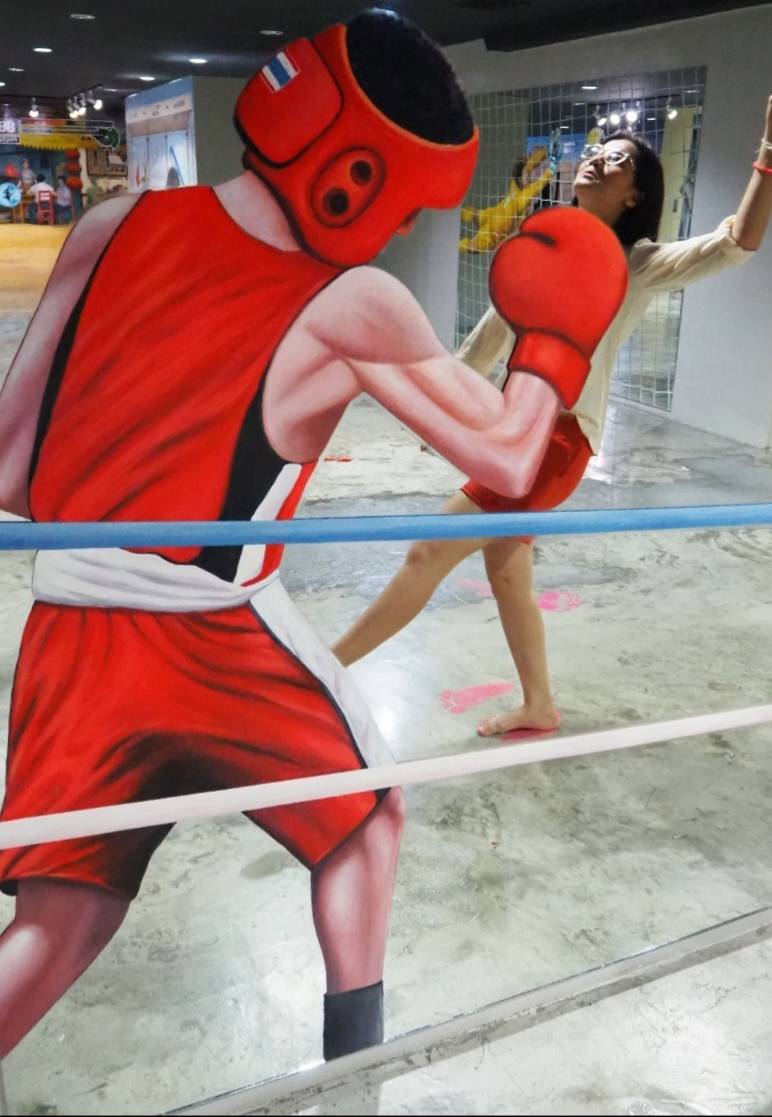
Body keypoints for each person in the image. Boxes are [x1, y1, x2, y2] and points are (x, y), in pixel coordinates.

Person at [0, 11, 625, 1063]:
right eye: (401, 209)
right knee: (367, 822)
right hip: (212, 635)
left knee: (59, 922)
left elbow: (12, 463)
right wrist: (556, 338)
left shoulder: (111, 223)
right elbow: (514, 461)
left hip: (65, 636)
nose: (394, 232)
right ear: (353, 177)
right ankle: (355, 1077)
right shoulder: (352, 299)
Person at [332, 98, 772, 737]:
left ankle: (319, 670)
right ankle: (539, 704)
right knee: (507, 572)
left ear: (634, 195)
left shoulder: (637, 264)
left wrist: (768, 152)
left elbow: (736, 243)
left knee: (427, 552)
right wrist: (448, 416)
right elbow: (484, 344)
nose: (597, 161)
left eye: (616, 162)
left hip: (555, 445)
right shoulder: (543, 246)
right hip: (512, 434)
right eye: (596, 153)